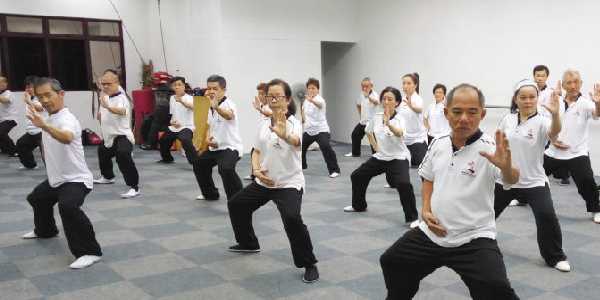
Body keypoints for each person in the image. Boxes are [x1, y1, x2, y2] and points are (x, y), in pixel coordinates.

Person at [380, 83, 520, 300]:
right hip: (432, 233)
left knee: (496, 288)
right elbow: (428, 177)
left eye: (472, 112)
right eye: (457, 111)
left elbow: (511, 179)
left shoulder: (491, 148)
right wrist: (425, 208)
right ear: (446, 113)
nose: (464, 118)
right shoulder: (438, 143)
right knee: (392, 261)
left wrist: (506, 167)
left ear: (482, 114)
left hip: (473, 238)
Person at [227, 78, 319, 283]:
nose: (274, 99)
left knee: (293, 219)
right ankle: (249, 243)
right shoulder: (263, 124)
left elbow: (295, 142)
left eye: (278, 96)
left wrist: (283, 134)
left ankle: (309, 263)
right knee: (236, 204)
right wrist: (256, 170)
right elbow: (256, 150)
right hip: (264, 181)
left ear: (287, 99)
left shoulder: (295, 124)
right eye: (270, 96)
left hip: (288, 184)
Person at [22, 77, 102, 269]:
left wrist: (44, 127)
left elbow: (66, 137)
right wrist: (32, 104)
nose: (44, 100)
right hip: (56, 179)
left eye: (48, 95)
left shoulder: (67, 119)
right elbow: (42, 108)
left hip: (76, 179)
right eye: (40, 97)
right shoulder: (50, 114)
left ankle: (90, 251)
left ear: (61, 94)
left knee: (68, 207)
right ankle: (46, 230)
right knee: (36, 198)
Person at [495, 79, 570, 272]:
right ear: (516, 99)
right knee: (485, 213)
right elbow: (499, 144)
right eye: (523, 97)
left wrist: (555, 115)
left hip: (534, 180)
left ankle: (555, 256)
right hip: (506, 178)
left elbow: (554, 132)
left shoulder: (543, 122)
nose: (528, 101)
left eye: (532, 97)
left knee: (546, 215)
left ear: (537, 98)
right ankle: (470, 242)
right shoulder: (507, 120)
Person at [344, 87, 419, 228]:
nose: (386, 101)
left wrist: (388, 123)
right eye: (384, 99)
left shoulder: (400, 117)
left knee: (403, 184)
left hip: (398, 157)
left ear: (396, 103)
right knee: (357, 176)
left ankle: (412, 218)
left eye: (390, 99)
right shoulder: (377, 116)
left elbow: (399, 133)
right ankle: (359, 206)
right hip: (381, 156)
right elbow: (368, 131)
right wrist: (376, 148)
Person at [543, 69, 600, 224]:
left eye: (576, 82)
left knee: (587, 180)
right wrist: (552, 139)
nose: (573, 85)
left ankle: (596, 209)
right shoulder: (557, 102)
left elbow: (597, 113)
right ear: (564, 85)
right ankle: (521, 198)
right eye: (569, 82)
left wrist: (598, 102)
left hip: (577, 153)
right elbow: (547, 125)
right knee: (534, 175)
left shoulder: (585, 103)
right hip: (554, 151)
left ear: (581, 83)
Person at [193, 75, 243, 201]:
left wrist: (216, 107)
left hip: (230, 147)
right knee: (199, 163)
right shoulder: (209, 106)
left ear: (223, 89)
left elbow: (229, 116)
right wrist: (208, 139)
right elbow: (210, 125)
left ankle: (238, 199)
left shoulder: (229, 104)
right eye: (209, 88)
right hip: (215, 147)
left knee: (225, 168)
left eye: (215, 88)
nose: (211, 91)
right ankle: (210, 194)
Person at [93, 70, 140, 199]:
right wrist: (101, 113)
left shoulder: (121, 97)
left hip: (122, 136)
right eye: (103, 84)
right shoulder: (105, 96)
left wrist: (107, 107)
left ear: (116, 83)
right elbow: (103, 110)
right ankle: (108, 177)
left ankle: (134, 187)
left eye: (109, 83)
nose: (106, 86)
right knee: (102, 151)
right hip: (110, 136)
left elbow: (122, 111)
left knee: (123, 154)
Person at [533, 65, 570, 186]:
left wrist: (559, 95)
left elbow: (559, 108)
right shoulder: (530, 91)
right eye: (537, 75)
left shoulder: (551, 92)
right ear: (534, 76)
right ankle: (535, 175)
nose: (540, 78)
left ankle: (564, 175)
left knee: (554, 150)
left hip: (548, 125)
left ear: (547, 77)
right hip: (533, 124)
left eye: (542, 75)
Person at [301, 78, 340, 178]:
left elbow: (320, 105)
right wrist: (303, 120)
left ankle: (334, 170)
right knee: (300, 147)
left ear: (318, 90)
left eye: (313, 88)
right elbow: (304, 111)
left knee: (325, 147)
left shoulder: (320, 100)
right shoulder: (306, 101)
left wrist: (312, 101)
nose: (311, 90)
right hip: (309, 130)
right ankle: (302, 166)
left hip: (321, 130)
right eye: (309, 88)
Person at [157, 76, 197, 164]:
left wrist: (181, 101)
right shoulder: (172, 98)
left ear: (184, 86)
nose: (177, 87)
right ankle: (167, 159)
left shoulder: (190, 98)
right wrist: (172, 122)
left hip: (187, 127)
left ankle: (195, 162)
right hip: (175, 127)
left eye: (179, 85)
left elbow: (193, 107)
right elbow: (173, 114)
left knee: (185, 140)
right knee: (163, 140)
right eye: (175, 85)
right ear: (172, 87)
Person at [16, 76, 46, 169]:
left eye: (30, 87)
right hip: (32, 132)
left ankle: (56, 173)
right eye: (27, 87)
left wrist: (28, 101)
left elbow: (40, 108)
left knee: (47, 155)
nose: (28, 89)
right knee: (21, 144)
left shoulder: (42, 97)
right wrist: (29, 100)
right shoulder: (30, 99)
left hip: (42, 132)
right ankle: (30, 165)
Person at [344, 77, 379, 157]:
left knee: (373, 139)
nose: (364, 88)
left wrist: (368, 97)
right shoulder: (362, 94)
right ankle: (355, 153)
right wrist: (360, 115)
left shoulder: (374, 94)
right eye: (362, 86)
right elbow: (358, 104)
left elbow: (376, 102)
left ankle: (377, 154)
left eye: (366, 86)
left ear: (371, 86)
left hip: (371, 122)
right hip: (363, 121)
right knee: (355, 134)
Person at [244, 82, 272, 181]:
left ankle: (262, 174)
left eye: (262, 94)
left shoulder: (270, 105)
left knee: (263, 155)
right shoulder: (263, 105)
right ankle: (254, 174)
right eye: (258, 93)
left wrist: (260, 109)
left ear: (267, 95)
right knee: (254, 152)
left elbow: (270, 114)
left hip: (269, 137)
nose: (260, 96)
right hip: (262, 135)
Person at [399, 73, 428, 167]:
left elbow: (419, 109)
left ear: (415, 85)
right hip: (403, 140)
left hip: (417, 139)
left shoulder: (418, 99)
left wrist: (411, 106)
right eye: (404, 83)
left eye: (408, 83)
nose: (405, 86)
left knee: (418, 165)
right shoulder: (401, 100)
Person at [0, 75, 18, 157]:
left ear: (6, 84)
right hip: (2, 120)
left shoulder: (9, 93)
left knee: (1, 132)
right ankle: (4, 149)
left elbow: (5, 100)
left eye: (3, 82)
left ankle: (14, 150)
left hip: (11, 119)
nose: (1, 84)